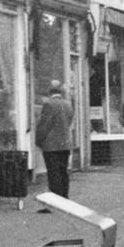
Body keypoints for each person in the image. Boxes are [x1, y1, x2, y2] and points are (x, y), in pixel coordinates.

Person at [35, 80, 74, 211]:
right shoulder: (68, 104)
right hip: (65, 144)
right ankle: (65, 199)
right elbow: (69, 121)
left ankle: (55, 204)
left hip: (51, 145)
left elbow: (44, 126)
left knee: (53, 173)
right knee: (63, 172)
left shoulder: (49, 105)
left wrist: (38, 140)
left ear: (49, 91)